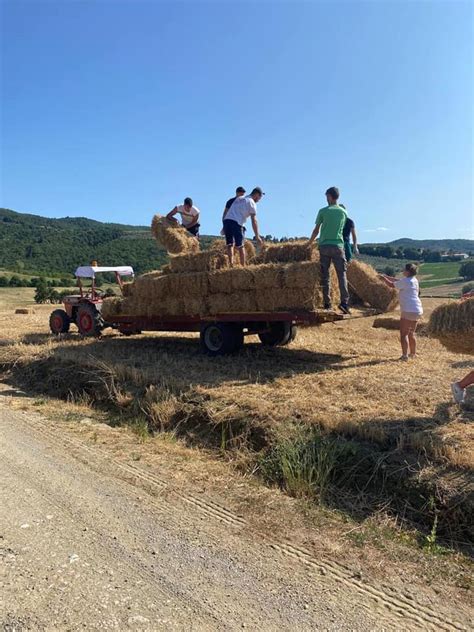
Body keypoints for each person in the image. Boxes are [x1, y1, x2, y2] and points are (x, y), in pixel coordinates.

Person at [308, 186, 350, 313]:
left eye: (327, 196)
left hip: (324, 246)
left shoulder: (323, 211)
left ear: (330, 196)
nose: (326, 199)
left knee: (325, 276)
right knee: (341, 275)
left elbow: (316, 230)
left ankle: (327, 303)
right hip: (338, 246)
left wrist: (310, 242)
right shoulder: (344, 212)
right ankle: (344, 303)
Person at [380, 263, 423, 361]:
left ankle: (404, 356)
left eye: (404, 269)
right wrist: (387, 276)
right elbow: (398, 281)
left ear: (407, 271)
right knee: (412, 333)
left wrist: (383, 279)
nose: (403, 270)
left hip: (408, 309)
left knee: (404, 334)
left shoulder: (406, 281)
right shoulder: (414, 280)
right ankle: (413, 354)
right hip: (417, 310)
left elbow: (391, 285)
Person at [223, 187, 264, 266]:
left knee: (230, 244)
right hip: (237, 223)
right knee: (240, 246)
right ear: (256, 195)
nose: (259, 200)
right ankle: (243, 266)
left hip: (227, 220)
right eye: (259, 198)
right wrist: (257, 235)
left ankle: (231, 264)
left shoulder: (240, 198)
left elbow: (228, 211)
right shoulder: (251, 202)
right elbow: (254, 220)